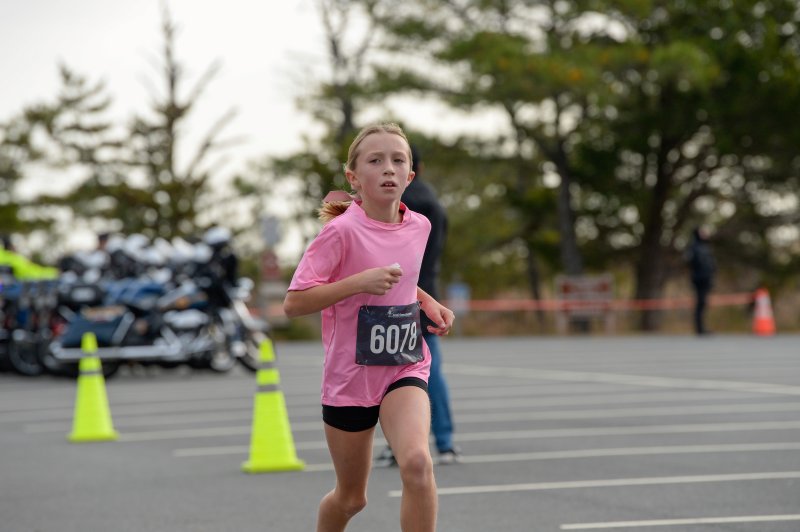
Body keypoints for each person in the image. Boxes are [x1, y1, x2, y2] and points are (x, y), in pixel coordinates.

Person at [284, 123, 454, 532]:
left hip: (404, 365)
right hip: (350, 379)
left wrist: (427, 301)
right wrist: (358, 283)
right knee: (350, 499)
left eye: (398, 160)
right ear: (354, 177)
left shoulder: (420, 226)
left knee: (417, 464)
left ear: (410, 176)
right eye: (375, 160)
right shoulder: (340, 231)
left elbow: (403, 277)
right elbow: (294, 302)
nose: (388, 168)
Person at [376, 145, 460, 467]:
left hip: (398, 295)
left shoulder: (400, 206)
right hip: (428, 295)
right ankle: (445, 443)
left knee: (396, 374)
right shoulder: (435, 205)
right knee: (429, 371)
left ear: (411, 170)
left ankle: (400, 444)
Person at [686, 226, 715, 335]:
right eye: (703, 232)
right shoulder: (694, 247)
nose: (706, 234)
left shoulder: (705, 247)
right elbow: (690, 262)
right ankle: (699, 328)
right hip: (699, 279)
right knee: (700, 303)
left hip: (706, 279)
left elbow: (710, 263)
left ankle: (702, 327)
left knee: (703, 303)